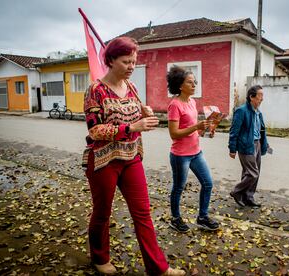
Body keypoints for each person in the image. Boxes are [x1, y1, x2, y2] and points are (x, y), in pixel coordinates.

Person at [83, 37, 185, 276]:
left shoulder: (132, 88)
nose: (131, 66)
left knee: (143, 213)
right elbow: (95, 130)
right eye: (126, 61)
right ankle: (99, 257)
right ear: (110, 60)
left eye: (134, 62)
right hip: (103, 160)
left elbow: (137, 116)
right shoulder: (95, 90)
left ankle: (158, 268)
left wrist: (146, 113)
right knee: (102, 213)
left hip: (131, 158)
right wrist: (131, 128)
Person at [166, 66, 219, 233]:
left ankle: (202, 217)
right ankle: (175, 218)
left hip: (196, 152)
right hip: (180, 155)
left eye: (194, 81)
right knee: (178, 188)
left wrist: (206, 130)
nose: (194, 84)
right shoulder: (174, 105)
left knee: (208, 183)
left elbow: (194, 130)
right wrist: (196, 126)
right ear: (180, 85)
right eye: (190, 82)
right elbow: (174, 134)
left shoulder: (192, 102)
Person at [228, 85, 269, 208]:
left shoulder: (258, 112)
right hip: (246, 145)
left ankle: (248, 197)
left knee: (251, 173)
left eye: (263, 96)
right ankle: (236, 191)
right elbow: (234, 131)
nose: (262, 98)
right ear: (252, 97)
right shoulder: (242, 110)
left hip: (257, 144)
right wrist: (232, 148)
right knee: (253, 173)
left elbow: (260, 130)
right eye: (260, 95)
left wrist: (264, 143)